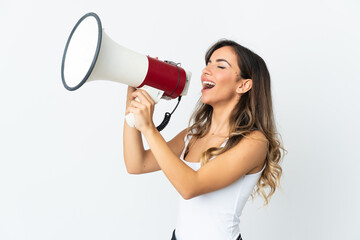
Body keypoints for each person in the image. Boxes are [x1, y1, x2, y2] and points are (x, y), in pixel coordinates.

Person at [123, 39, 284, 240]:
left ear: (243, 85)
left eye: (220, 65)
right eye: (208, 63)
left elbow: (190, 186)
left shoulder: (254, 143)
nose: (206, 71)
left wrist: (148, 128)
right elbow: (137, 163)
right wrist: (132, 104)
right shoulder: (192, 135)